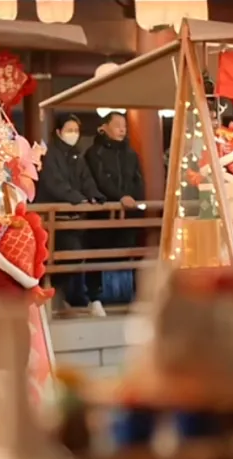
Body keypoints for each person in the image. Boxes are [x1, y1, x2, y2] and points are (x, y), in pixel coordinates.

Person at [36, 114, 106, 316]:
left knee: (75, 255)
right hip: (53, 218)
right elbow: (54, 183)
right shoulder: (50, 155)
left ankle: (59, 297)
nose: (73, 134)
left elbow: (86, 179)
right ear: (59, 132)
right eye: (69, 130)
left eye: (76, 130)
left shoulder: (77, 155)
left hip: (72, 217)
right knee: (64, 255)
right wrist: (77, 198)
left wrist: (94, 196)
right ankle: (52, 297)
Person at [84, 111, 145, 316]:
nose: (122, 129)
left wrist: (134, 198)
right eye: (117, 125)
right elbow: (100, 180)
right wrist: (120, 197)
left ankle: (136, 296)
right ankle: (94, 298)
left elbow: (138, 179)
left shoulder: (131, 154)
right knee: (97, 254)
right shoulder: (94, 153)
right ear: (104, 127)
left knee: (134, 252)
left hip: (128, 212)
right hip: (102, 213)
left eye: (124, 126)